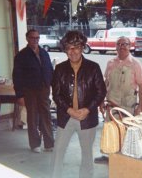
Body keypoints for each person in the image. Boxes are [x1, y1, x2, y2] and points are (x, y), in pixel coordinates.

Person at [51, 30, 106, 178]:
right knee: (58, 151)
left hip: (87, 118)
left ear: (82, 47)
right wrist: (69, 110)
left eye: (76, 46)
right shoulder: (59, 69)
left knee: (87, 154)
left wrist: (87, 109)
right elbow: (56, 95)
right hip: (66, 117)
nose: (73, 51)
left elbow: (101, 92)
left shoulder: (93, 67)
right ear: (65, 50)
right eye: (69, 47)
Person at [94, 36, 142, 164]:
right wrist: (100, 101)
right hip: (112, 104)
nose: (122, 46)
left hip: (128, 105)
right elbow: (105, 83)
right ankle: (108, 156)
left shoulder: (135, 64)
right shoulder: (111, 63)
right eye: (119, 44)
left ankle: (125, 157)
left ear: (130, 46)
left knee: (127, 131)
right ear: (116, 46)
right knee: (110, 130)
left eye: (125, 44)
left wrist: (141, 106)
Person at [12, 29, 54, 153]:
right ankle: (35, 144)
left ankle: (49, 144)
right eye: (32, 38)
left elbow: (49, 70)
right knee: (32, 117)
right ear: (27, 39)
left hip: (44, 89)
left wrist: (51, 85)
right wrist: (19, 95)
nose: (35, 40)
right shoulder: (21, 55)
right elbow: (17, 76)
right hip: (29, 90)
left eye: (37, 38)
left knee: (46, 116)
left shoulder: (44, 53)